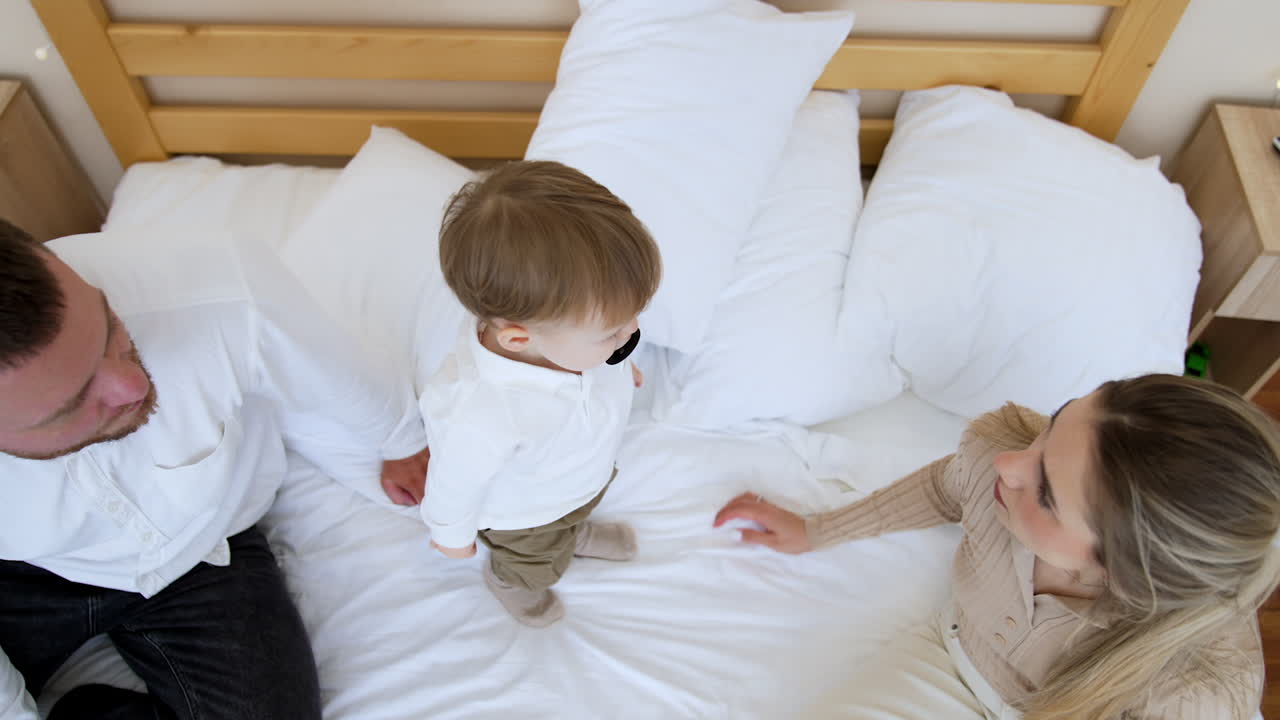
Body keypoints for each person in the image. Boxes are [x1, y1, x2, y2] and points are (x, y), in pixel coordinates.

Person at [0, 218, 430, 720]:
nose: (133, 385)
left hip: (199, 551)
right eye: (75, 403)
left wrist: (402, 440)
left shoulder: (214, 285)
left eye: (109, 329)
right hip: (22, 580)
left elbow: (341, 375)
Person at [715, 374, 1279, 719]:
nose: (1010, 464)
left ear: (1124, 576)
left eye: (1048, 495)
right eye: (1055, 422)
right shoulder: (997, 455)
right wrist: (816, 531)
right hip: (953, 666)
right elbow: (947, 487)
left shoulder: (1192, 693)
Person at [421, 160, 662, 627]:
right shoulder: (480, 414)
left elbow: (600, 359)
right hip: (527, 517)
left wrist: (619, 364)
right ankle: (514, 579)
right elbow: (454, 483)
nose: (631, 331)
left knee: (576, 511)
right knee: (535, 559)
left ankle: (572, 535)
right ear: (518, 338)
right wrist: (451, 535)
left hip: (583, 476)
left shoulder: (568, 340)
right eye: (612, 332)